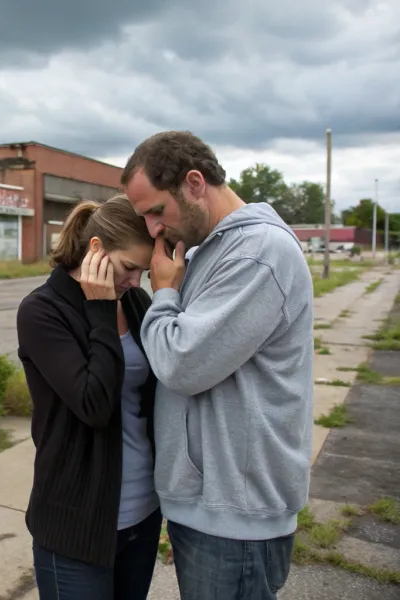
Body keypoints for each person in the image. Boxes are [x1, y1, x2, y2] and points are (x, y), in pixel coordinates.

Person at [121, 131, 314, 600]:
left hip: (236, 516)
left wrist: (163, 294)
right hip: (210, 505)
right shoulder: (210, 249)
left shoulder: (257, 253)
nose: (151, 230)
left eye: (155, 211)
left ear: (194, 183)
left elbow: (183, 365)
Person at [16, 194, 162, 600]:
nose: (135, 281)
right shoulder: (42, 311)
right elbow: (94, 405)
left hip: (143, 513)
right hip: (75, 524)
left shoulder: (134, 301)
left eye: (142, 271)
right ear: (96, 250)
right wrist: (100, 310)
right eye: (129, 268)